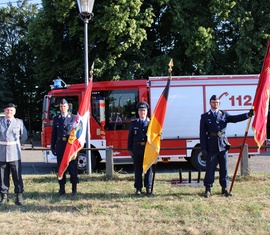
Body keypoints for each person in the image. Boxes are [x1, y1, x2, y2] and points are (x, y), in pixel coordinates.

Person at [200, 95, 254, 198]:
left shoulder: (224, 114)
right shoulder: (205, 116)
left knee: (224, 168)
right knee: (210, 168)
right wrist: (204, 148)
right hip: (211, 145)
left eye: (217, 102)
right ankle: (208, 189)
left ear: (219, 103)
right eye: (213, 102)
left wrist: (247, 114)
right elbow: (202, 133)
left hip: (223, 146)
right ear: (210, 103)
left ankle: (224, 188)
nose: (215, 104)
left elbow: (235, 119)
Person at [0, 103, 28, 205]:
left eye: (11, 110)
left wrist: (18, 144)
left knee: (17, 175)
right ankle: (4, 196)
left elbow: (24, 135)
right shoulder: (0, 122)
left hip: (14, 153)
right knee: (2, 176)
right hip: (2, 153)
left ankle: (19, 196)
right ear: (4, 111)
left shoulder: (19, 122)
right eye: (7, 110)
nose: (9, 112)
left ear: (14, 112)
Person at [51, 99, 78, 196]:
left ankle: (74, 189)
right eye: (61, 106)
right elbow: (53, 134)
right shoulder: (56, 118)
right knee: (61, 168)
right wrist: (52, 146)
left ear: (68, 107)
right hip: (60, 146)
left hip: (70, 146)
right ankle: (62, 189)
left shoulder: (74, 118)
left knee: (72, 168)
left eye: (64, 106)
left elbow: (77, 133)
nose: (63, 108)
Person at [128, 101, 153, 195]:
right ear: (138, 112)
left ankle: (148, 187)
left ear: (147, 112)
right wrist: (130, 149)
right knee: (137, 169)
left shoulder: (151, 123)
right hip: (137, 148)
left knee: (148, 169)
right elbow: (130, 137)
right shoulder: (134, 123)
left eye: (144, 111)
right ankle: (138, 188)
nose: (142, 112)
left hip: (147, 149)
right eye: (141, 111)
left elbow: (156, 135)